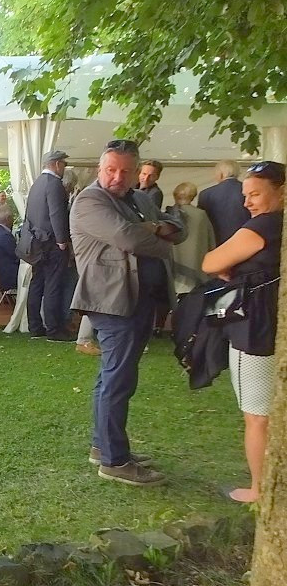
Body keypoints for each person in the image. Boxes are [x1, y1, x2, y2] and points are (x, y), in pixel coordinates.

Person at [70, 139, 184, 486]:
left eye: (124, 171)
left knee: (114, 376)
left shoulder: (138, 199)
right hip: (111, 301)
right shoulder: (89, 200)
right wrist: (154, 233)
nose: (117, 177)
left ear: (136, 173)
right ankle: (114, 461)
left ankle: (101, 446)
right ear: (98, 169)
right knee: (118, 380)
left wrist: (153, 227)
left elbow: (178, 225)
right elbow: (129, 239)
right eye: (110, 170)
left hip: (139, 300)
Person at [201, 161, 284, 504]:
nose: (248, 202)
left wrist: (229, 266)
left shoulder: (263, 226)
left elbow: (210, 262)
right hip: (270, 323)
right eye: (246, 195)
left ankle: (259, 489)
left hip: (255, 328)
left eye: (255, 194)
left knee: (256, 415)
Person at [25, 150, 74, 341]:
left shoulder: (37, 183)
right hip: (52, 243)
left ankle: (35, 326)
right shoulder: (54, 184)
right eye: (63, 164)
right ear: (56, 164)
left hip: (36, 242)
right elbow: (56, 214)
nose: (64, 168)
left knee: (36, 284)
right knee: (53, 285)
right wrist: (62, 241)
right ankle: (54, 329)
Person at [168, 181, 216, 296]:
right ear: (193, 196)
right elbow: (211, 241)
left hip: (174, 267)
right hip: (197, 266)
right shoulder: (201, 215)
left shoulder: (168, 214)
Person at [199, 160, 250, 247]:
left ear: (221, 174)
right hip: (245, 241)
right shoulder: (249, 191)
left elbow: (202, 222)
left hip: (216, 243)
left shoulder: (206, 194)